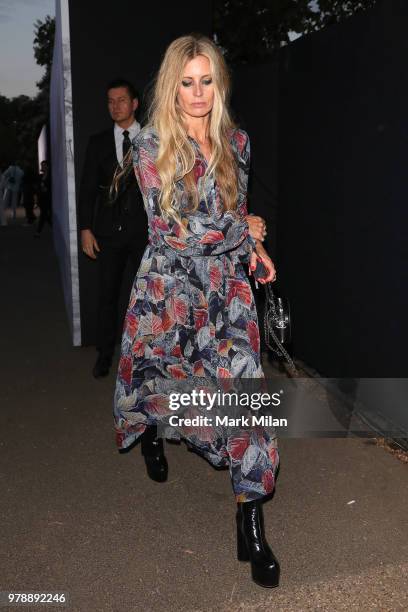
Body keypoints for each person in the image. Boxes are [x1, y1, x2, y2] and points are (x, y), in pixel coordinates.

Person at [114, 35, 281, 588]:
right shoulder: (150, 145)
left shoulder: (237, 141)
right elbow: (173, 231)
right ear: (171, 85)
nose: (197, 93)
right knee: (171, 387)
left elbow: (240, 211)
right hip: (171, 293)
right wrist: (243, 230)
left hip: (227, 294)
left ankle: (250, 524)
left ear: (219, 84)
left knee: (248, 398)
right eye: (186, 82)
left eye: (207, 80)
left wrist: (254, 252)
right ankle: (153, 433)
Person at [79, 79, 148, 379]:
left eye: (121, 100)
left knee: (147, 297)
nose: (115, 106)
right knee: (107, 295)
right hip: (108, 233)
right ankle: (105, 355)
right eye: (110, 101)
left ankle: (146, 356)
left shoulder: (152, 138)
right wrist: (85, 229)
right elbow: (86, 191)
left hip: (145, 233)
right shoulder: (97, 142)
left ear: (134, 104)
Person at [34, 161, 52, 236]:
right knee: (45, 215)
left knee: (43, 215)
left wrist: (46, 188)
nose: (42, 167)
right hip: (41, 198)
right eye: (42, 165)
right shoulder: (40, 176)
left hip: (48, 198)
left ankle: (38, 231)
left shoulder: (51, 176)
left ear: (47, 166)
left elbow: (51, 187)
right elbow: (37, 187)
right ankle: (54, 227)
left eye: (44, 165)